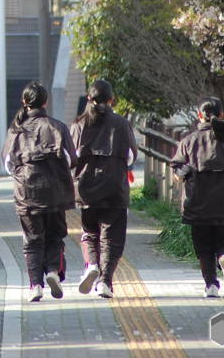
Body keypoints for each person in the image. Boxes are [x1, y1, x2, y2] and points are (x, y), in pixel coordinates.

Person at [2, 81, 77, 302]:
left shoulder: (16, 130)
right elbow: (72, 159)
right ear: (46, 102)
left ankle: (35, 285)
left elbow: (8, 164)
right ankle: (53, 271)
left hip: (27, 193)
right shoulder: (57, 126)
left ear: (24, 102)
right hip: (56, 191)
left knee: (33, 240)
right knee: (55, 235)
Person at [170, 97, 224, 297]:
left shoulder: (189, 140)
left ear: (199, 115)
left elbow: (177, 168)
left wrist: (185, 173)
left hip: (198, 203)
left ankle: (211, 285)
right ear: (222, 114)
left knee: (203, 247)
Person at [71, 79, 138, 299]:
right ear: (111, 100)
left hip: (86, 189)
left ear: (89, 99)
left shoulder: (79, 125)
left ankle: (91, 264)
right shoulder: (121, 123)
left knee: (90, 233)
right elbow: (130, 156)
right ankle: (105, 282)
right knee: (112, 237)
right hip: (114, 188)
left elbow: (71, 159)